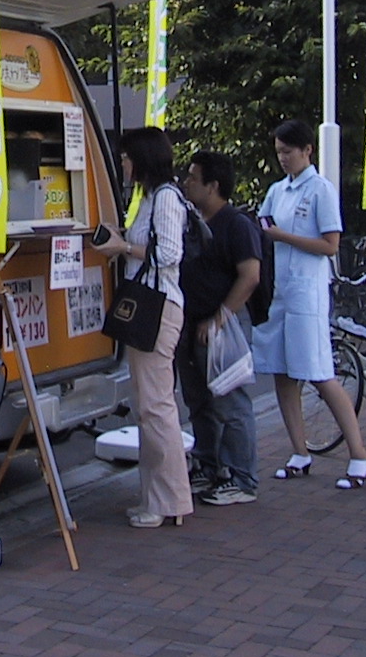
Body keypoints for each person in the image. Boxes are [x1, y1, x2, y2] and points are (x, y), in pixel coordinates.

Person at [252, 121, 366, 490]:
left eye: (288, 152)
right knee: (282, 372)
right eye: (279, 153)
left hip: (307, 289)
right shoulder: (278, 190)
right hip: (280, 291)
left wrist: (281, 235)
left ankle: (359, 454)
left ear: (307, 150)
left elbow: (329, 245)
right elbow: (263, 224)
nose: (283, 159)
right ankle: (299, 452)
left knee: (318, 372)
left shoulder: (320, 189)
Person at [93, 126, 195, 527]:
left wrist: (123, 247)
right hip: (150, 306)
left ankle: (169, 501)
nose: (123, 163)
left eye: (126, 157)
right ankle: (157, 497)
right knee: (150, 404)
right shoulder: (149, 197)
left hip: (158, 307)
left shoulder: (167, 198)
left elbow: (169, 254)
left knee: (156, 407)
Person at [177, 150, 262, 506]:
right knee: (198, 400)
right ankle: (208, 465)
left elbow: (250, 276)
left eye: (193, 178)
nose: (186, 183)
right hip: (189, 322)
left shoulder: (236, 224)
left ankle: (242, 478)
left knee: (230, 401)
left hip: (222, 325)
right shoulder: (189, 221)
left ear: (213, 186)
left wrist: (220, 316)